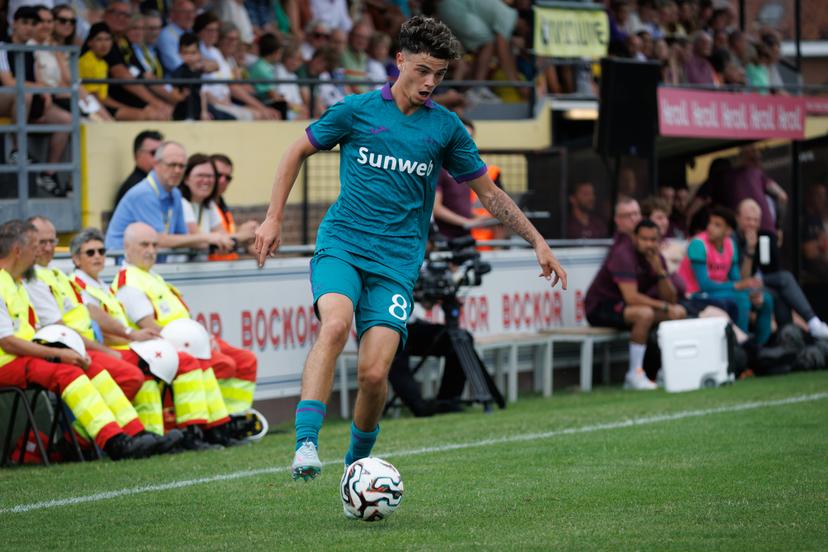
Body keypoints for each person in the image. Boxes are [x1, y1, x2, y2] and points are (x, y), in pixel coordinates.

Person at [253, 15, 567, 484]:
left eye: (439, 75)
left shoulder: (446, 128)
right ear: (399, 60)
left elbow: (490, 193)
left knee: (375, 374)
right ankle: (305, 443)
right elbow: (294, 151)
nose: (430, 83)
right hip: (342, 245)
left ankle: (356, 464)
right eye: (422, 70)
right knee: (335, 324)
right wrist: (273, 216)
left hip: (397, 264)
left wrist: (537, 240)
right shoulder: (356, 111)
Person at [0, 220, 159, 461]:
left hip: (23, 356)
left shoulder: (17, 283)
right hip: (7, 362)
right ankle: (113, 441)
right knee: (68, 372)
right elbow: (8, 343)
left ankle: (134, 433)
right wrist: (58, 354)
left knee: (92, 368)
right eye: (35, 245)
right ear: (18, 251)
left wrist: (62, 351)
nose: (40, 252)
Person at [68, 227, 224, 449]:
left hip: (129, 345)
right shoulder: (77, 285)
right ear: (76, 258)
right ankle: (191, 433)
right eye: (90, 253)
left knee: (155, 376)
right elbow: (98, 323)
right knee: (182, 362)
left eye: (101, 251)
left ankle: (160, 436)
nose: (98, 257)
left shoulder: (102, 286)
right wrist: (131, 337)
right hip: (109, 348)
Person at [111, 222, 261, 426]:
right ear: (127, 248)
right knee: (223, 364)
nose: (151, 251)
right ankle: (211, 423)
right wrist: (201, 344)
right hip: (168, 346)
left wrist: (204, 339)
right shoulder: (128, 281)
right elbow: (151, 327)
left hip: (188, 341)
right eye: (144, 245)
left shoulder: (151, 276)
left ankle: (236, 416)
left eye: (154, 245)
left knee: (246, 360)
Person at [585, 217, 687, 391]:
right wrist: (663, 307)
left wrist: (661, 272)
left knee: (679, 312)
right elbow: (631, 297)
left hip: (628, 307)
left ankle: (666, 369)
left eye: (653, 240)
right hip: (600, 307)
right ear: (635, 238)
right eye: (644, 239)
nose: (649, 244)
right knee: (644, 314)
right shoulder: (623, 254)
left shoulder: (656, 258)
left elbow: (670, 299)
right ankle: (634, 374)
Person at [105, 141, 235, 254]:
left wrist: (219, 240)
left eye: (181, 166)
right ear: (156, 164)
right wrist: (208, 238)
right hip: (121, 265)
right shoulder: (145, 193)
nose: (177, 171)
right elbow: (158, 240)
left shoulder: (175, 193)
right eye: (172, 165)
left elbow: (183, 237)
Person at [677, 206, 774, 345]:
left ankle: (761, 348)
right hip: (695, 295)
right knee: (742, 299)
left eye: (717, 225)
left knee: (765, 298)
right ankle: (742, 349)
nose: (710, 228)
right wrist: (737, 286)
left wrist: (747, 289)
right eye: (710, 223)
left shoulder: (730, 244)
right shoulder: (698, 244)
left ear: (728, 231)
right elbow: (704, 284)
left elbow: (735, 278)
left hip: (719, 292)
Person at [735, 198, 828, 338]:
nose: (752, 224)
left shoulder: (763, 237)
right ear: (738, 218)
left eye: (756, 220)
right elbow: (743, 279)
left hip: (759, 282)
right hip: (739, 285)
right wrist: (750, 250)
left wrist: (774, 246)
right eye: (748, 219)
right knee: (785, 279)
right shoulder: (732, 240)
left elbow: (771, 268)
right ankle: (812, 322)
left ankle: (788, 339)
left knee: (781, 292)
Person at [210, 153, 259, 260]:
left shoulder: (221, 204)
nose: (223, 181)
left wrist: (247, 237)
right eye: (218, 175)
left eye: (227, 177)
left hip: (226, 269)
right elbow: (208, 241)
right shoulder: (202, 205)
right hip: (210, 270)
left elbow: (228, 236)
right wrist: (243, 235)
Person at [113, 130, 163, 211]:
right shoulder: (136, 186)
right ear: (137, 155)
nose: (159, 158)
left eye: (161, 153)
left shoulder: (153, 182)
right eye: (154, 153)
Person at [156, 0, 196, 74]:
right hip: (173, 82)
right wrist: (196, 61)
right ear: (173, 14)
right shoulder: (166, 35)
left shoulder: (191, 32)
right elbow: (175, 65)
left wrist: (185, 58)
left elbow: (204, 59)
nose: (190, 16)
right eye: (185, 12)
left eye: (192, 12)